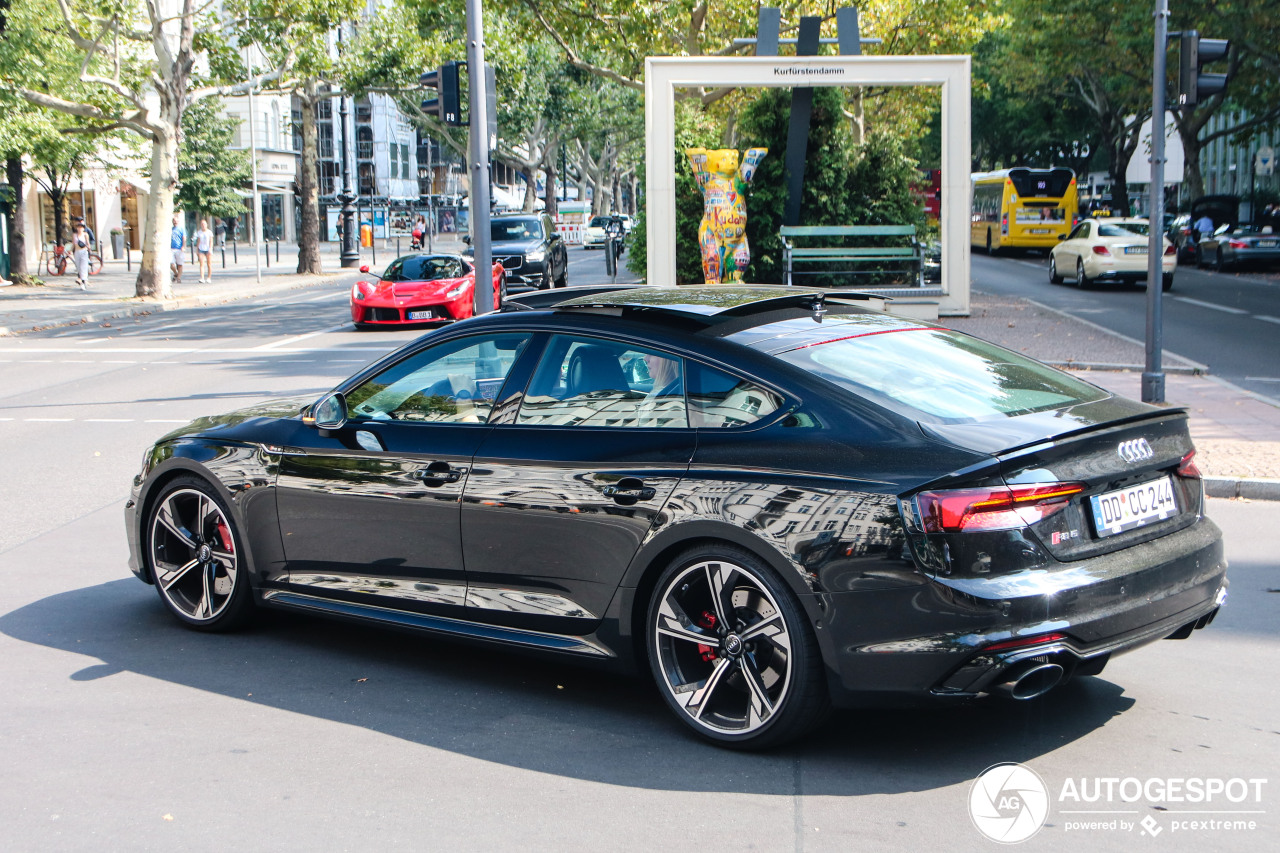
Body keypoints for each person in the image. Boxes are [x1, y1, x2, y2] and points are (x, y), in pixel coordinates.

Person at [71, 221, 91, 290]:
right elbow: (73, 244)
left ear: (83, 228)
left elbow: (88, 243)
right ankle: (83, 280)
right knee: (78, 267)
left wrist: (89, 249)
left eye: (81, 227)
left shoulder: (85, 235)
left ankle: (83, 281)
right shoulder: (74, 235)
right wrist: (70, 251)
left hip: (84, 251)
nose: (79, 229)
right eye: (78, 227)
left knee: (83, 266)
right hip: (77, 252)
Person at [195, 218, 214, 283]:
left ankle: (209, 277)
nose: (203, 225)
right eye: (202, 224)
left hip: (208, 249)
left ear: (207, 225)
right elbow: (198, 241)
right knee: (201, 263)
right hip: (201, 249)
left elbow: (211, 241)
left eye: (204, 224)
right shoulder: (199, 232)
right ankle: (202, 278)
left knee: (209, 264)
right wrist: (197, 249)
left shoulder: (209, 232)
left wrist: (210, 249)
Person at [170, 215, 186, 284]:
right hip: (171, 248)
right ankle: (176, 273)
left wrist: (183, 246)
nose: (175, 222)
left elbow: (184, 238)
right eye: (174, 221)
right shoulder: (171, 229)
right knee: (171, 264)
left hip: (179, 248)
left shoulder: (181, 229)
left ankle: (178, 278)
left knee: (180, 264)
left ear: (178, 221)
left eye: (176, 221)